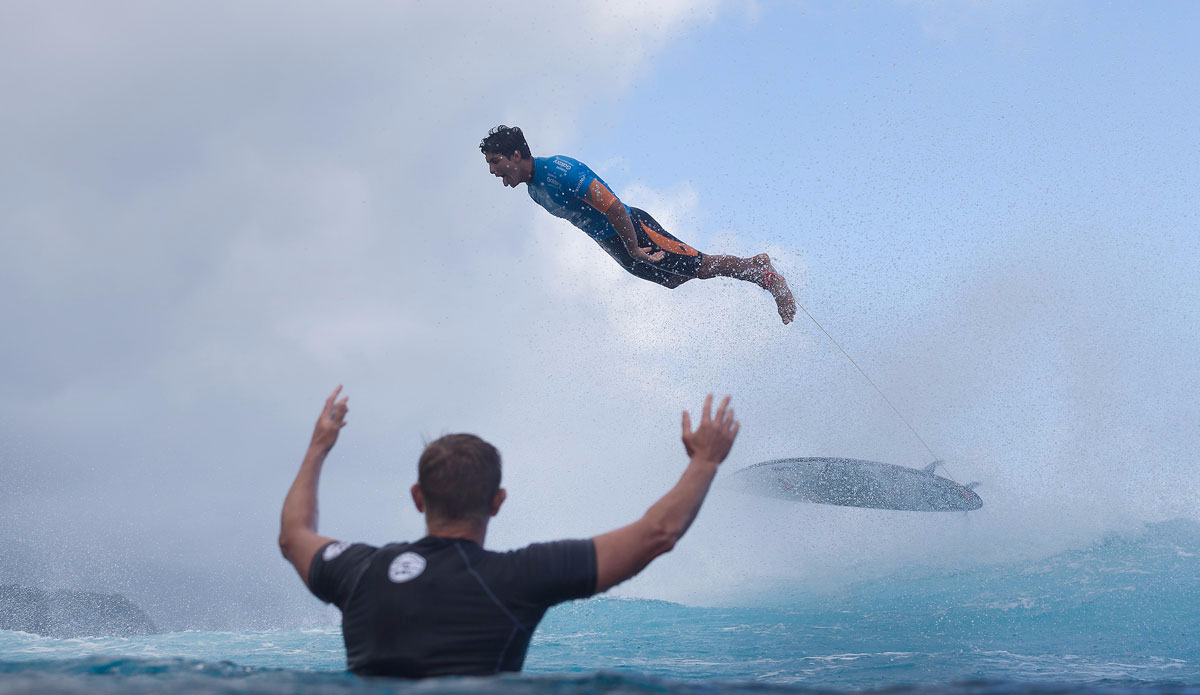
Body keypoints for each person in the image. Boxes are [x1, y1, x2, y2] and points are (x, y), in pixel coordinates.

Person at [278, 385, 740, 678]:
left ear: (418, 498)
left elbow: (294, 533)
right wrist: (705, 461)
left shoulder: (360, 571)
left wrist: (320, 446)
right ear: (498, 502)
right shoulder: (519, 577)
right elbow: (658, 533)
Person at [480, 125, 797, 324]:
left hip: (633, 231)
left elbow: (614, 207)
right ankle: (752, 265)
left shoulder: (560, 170)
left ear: (516, 154)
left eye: (496, 162)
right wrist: (625, 253)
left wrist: (634, 246)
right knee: (674, 280)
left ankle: (764, 275)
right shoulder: (534, 191)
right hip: (617, 245)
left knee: (699, 266)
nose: (494, 171)